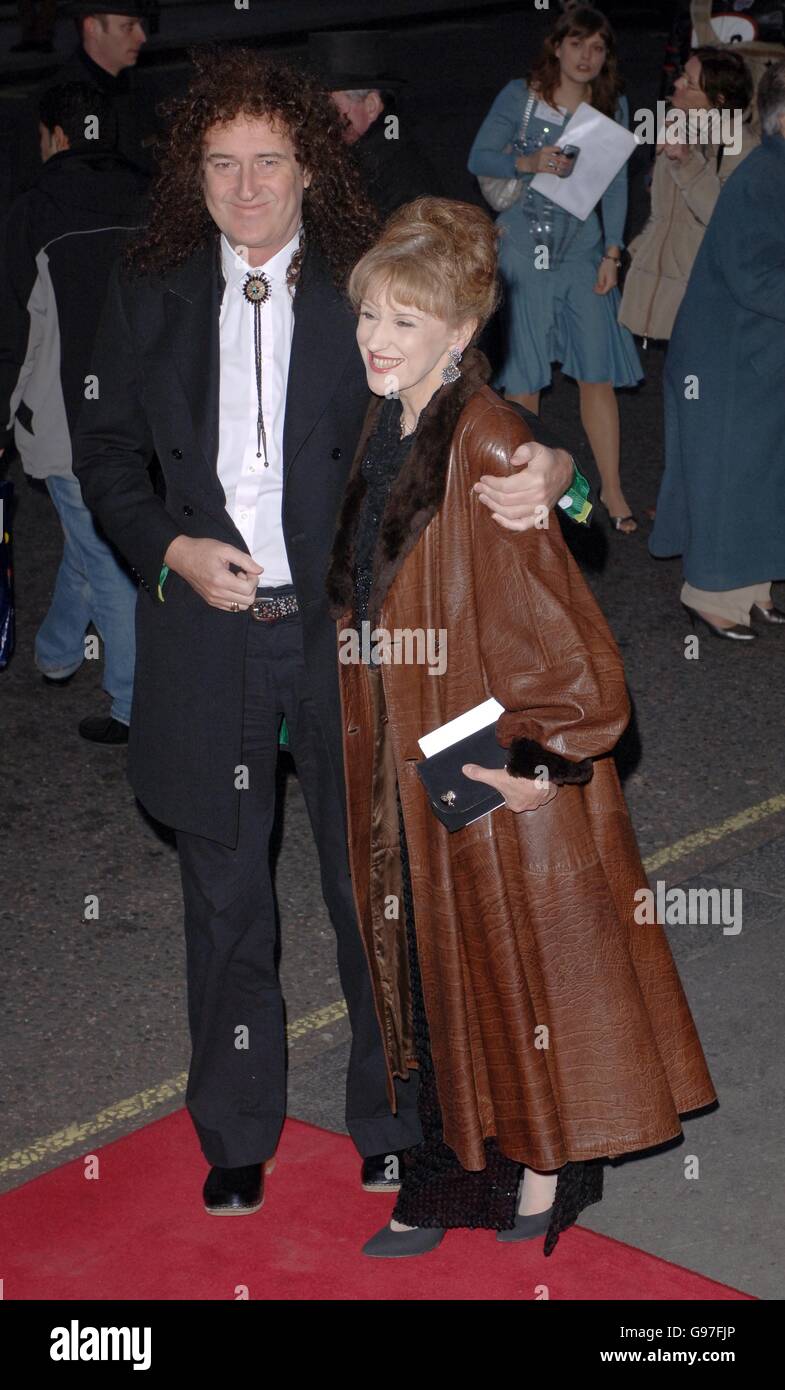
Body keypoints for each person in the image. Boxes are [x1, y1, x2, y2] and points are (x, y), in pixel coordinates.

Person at [72, 49, 585, 1218]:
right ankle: (238, 1129)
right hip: (209, 632)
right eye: (220, 164)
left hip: (348, 633)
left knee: (373, 884)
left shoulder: (362, 287)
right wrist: (167, 548)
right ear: (190, 175)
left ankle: (394, 1122)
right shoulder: (147, 287)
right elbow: (101, 456)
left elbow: (473, 408)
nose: (246, 187)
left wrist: (555, 468)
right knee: (223, 894)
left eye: (268, 161)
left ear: (310, 165)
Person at [326, 196, 717, 1259]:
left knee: (511, 978)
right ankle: (448, 1178)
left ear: (458, 334)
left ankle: (540, 1167)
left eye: (405, 321)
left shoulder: (486, 434)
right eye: (370, 311)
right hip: (399, 755)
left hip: (481, 757)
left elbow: (572, 621)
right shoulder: (388, 412)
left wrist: (566, 481)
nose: (376, 337)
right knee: (431, 979)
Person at [0, 81, 148, 740]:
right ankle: (58, 653)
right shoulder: (149, 198)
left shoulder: (32, 213)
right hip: (142, 411)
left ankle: (132, 703)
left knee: (105, 555)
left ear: (56, 135)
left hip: (67, 418)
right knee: (88, 536)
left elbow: (12, 336)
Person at [468, 4, 644, 534]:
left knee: (597, 372)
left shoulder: (612, 106)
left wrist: (613, 253)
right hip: (522, 244)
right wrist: (530, 161)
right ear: (557, 47)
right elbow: (479, 157)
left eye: (596, 48)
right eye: (576, 45)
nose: (586, 57)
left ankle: (611, 489)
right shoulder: (520, 96)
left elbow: (615, 186)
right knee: (524, 378)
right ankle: (528, 488)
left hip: (581, 250)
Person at [649, 60, 785, 639]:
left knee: (758, 477)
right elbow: (754, 275)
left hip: (754, 353)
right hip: (726, 358)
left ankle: (751, 590)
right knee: (727, 477)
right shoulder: (765, 175)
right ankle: (708, 596)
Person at [619, 47, 758, 345]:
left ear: (718, 100)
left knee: (698, 384)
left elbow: (722, 215)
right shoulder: (678, 126)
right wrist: (639, 250)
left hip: (707, 292)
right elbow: (660, 209)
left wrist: (685, 160)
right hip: (666, 280)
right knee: (678, 385)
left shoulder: (742, 146)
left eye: (690, 82)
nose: (678, 84)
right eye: (682, 74)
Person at [308, 29, 442, 220]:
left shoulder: (389, 168)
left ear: (371, 105)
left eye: (329, 107)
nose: (320, 116)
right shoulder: (388, 144)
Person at [44, 3, 155, 174]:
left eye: (140, 25)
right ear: (92, 28)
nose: (142, 37)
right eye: (128, 27)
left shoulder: (147, 91)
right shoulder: (58, 101)